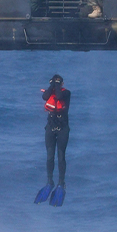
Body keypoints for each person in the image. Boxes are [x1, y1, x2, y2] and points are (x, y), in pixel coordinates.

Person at [34, 74, 70, 207]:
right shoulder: (50, 93)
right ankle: (50, 181)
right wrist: (52, 85)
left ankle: (61, 182)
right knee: (49, 157)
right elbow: (44, 97)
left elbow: (60, 97)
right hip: (50, 127)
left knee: (60, 156)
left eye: (58, 83)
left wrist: (57, 85)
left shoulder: (66, 93)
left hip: (62, 129)